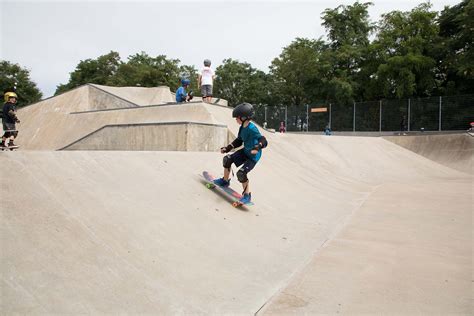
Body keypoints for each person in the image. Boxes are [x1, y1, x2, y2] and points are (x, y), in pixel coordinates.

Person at [213, 102, 268, 204]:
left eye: (237, 117)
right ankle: (225, 181)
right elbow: (239, 141)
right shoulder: (242, 128)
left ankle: (247, 196)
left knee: (241, 174)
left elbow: (264, 140)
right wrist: (228, 148)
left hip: (253, 157)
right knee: (227, 159)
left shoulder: (252, 128)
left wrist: (257, 147)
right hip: (245, 151)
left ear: (244, 117)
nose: (236, 120)